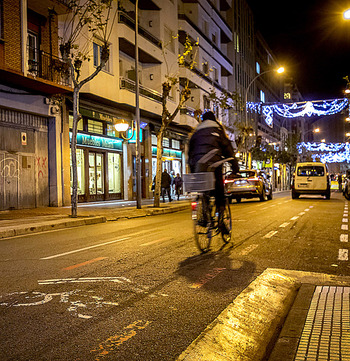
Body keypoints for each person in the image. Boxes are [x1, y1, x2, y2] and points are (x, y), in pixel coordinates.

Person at [188, 111, 239, 232]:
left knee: (204, 190)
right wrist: (235, 168)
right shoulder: (218, 131)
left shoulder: (196, 133)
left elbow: (190, 153)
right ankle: (221, 220)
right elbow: (228, 150)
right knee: (219, 192)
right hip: (214, 164)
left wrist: (193, 171)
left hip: (198, 165)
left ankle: (205, 215)